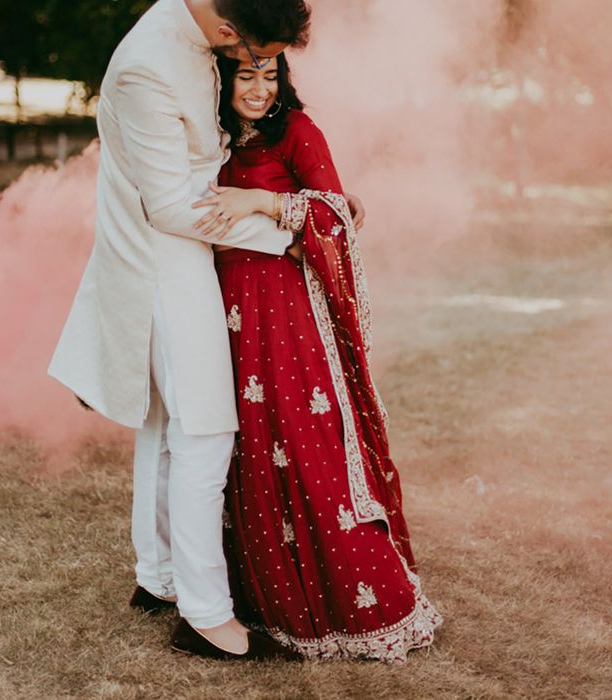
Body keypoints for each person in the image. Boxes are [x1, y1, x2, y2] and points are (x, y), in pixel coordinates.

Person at [48, 0, 365, 661]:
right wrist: (285, 235)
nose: (247, 59)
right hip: (165, 262)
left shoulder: (194, 27)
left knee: (165, 426)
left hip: (185, 255)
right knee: (205, 433)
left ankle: (157, 575)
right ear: (227, 22)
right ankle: (206, 616)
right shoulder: (148, 67)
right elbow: (170, 208)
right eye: (246, 45)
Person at [190, 52, 443, 662]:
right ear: (224, 83)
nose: (257, 89)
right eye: (245, 76)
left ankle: (352, 602)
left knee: (305, 444)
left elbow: (335, 216)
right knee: (246, 447)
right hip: (225, 315)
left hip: (287, 317)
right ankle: (258, 600)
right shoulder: (214, 139)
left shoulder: (299, 132)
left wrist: (263, 204)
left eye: (269, 76)